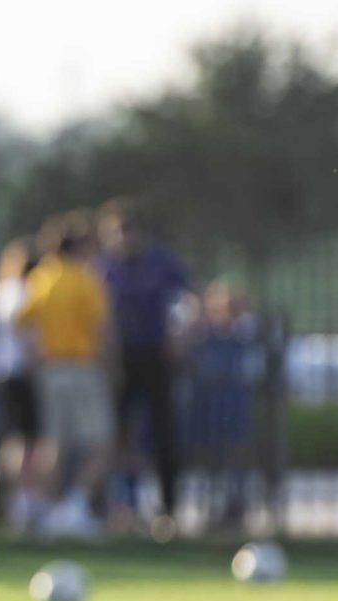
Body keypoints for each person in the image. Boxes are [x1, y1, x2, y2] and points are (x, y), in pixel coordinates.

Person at [15, 216, 112, 538]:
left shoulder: (41, 279)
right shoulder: (86, 280)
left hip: (50, 368)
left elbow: (23, 324)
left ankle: (46, 509)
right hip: (81, 366)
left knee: (54, 443)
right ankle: (73, 507)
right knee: (100, 444)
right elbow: (101, 330)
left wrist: (36, 356)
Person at [98, 203, 191, 530]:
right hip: (117, 361)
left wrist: (179, 335)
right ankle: (119, 505)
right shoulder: (104, 267)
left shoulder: (161, 264)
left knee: (163, 434)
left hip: (155, 356)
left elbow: (184, 302)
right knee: (115, 436)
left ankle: (168, 508)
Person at [182, 281, 259, 530]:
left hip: (234, 404)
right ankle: (210, 506)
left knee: (235, 454)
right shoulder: (205, 334)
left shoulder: (243, 332)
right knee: (209, 456)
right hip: (208, 404)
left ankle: (235, 505)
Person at [0, 239, 39, 528]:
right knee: (24, 441)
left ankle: (9, 500)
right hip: (19, 373)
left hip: (1, 371)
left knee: (13, 439)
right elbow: (24, 334)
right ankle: (20, 503)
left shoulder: (1, 290)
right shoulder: (21, 292)